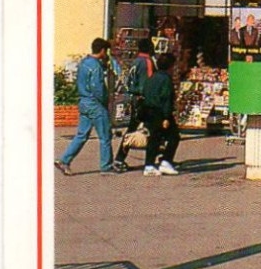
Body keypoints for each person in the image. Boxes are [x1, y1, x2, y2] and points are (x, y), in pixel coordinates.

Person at [57, 38, 115, 175]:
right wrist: (105, 100)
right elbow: (98, 87)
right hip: (95, 103)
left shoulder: (84, 63)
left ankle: (65, 160)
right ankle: (106, 166)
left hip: (84, 101)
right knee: (105, 135)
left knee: (82, 134)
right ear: (102, 51)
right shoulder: (95, 67)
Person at [112, 40, 154, 170]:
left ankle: (120, 158)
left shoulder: (135, 62)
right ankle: (154, 161)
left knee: (132, 128)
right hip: (144, 99)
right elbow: (149, 83)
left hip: (134, 98)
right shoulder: (147, 62)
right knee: (153, 130)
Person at [141, 52, 181, 176]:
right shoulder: (166, 79)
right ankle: (165, 161)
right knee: (174, 137)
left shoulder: (152, 77)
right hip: (160, 112)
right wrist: (166, 116)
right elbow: (166, 98)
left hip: (148, 110)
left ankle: (149, 164)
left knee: (154, 138)